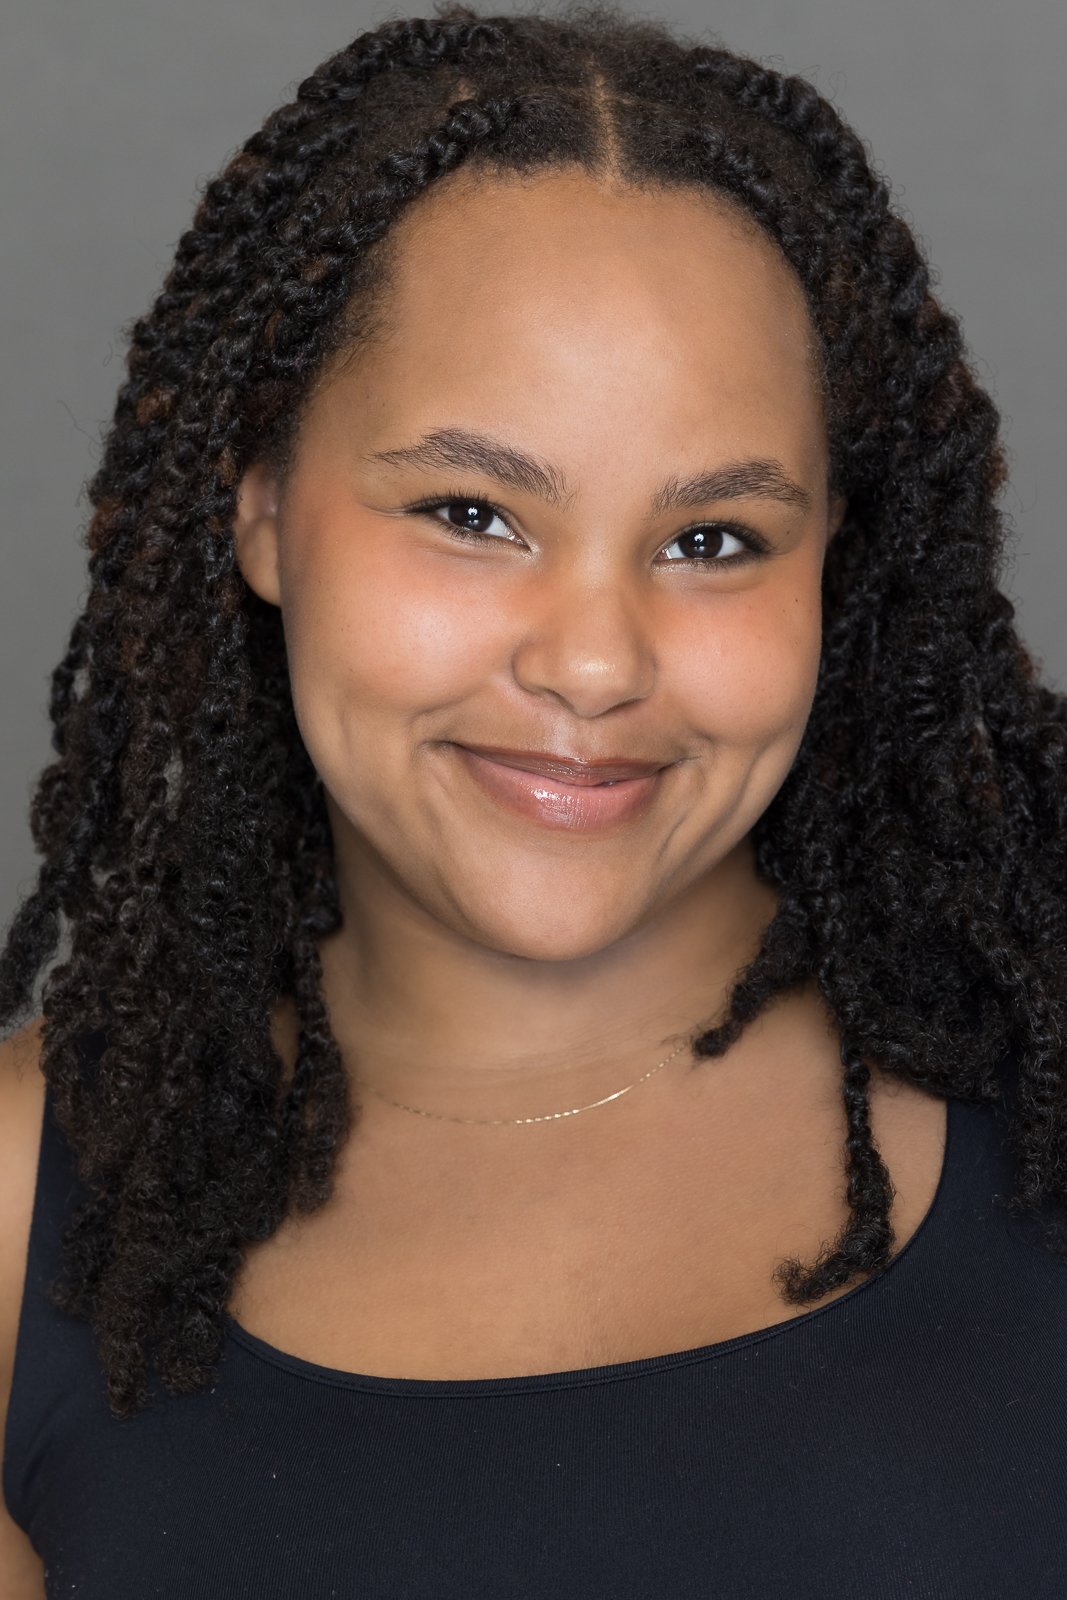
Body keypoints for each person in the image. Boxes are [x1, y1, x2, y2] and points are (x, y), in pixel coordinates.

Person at [1, 1, 1065, 1594]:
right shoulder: (19, 1203)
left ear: (833, 566)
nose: (593, 663)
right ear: (263, 509)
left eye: (713, 540)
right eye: (471, 513)